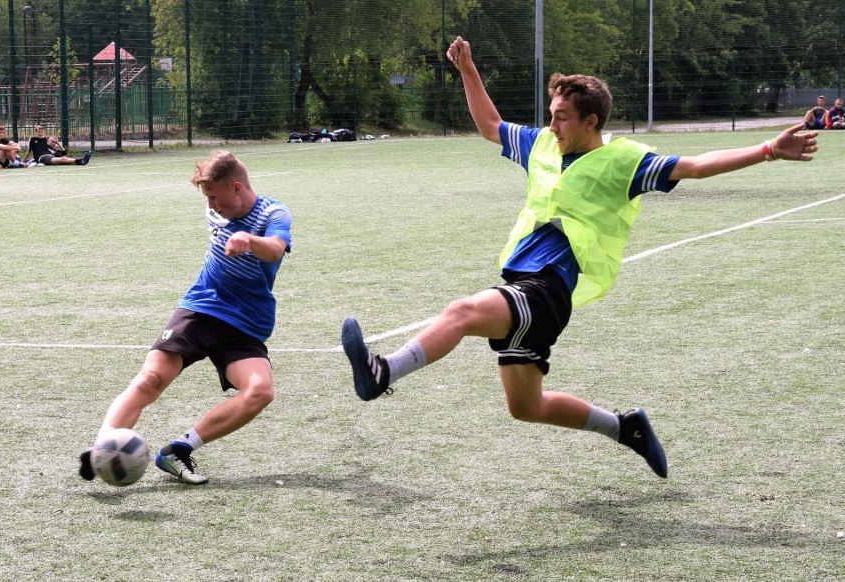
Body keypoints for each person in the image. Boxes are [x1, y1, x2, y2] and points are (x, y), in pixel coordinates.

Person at [341, 36, 818, 480]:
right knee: (527, 407)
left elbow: (693, 166)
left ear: (592, 121)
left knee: (462, 312)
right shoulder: (543, 144)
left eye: (563, 116)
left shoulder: (625, 161)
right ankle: (624, 426)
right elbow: (490, 126)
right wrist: (467, 69)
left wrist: (769, 148)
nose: (553, 124)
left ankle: (384, 371)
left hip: (548, 288)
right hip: (523, 281)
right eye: (551, 114)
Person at [79, 150, 292, 485]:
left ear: (237, 188)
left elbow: (276, 248)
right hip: (202, 308)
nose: (210, 207)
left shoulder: (273, 212)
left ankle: (179, 450)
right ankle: (101, 447)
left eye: (214, 197)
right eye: (206, 199)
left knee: (260, 392)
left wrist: (249, 240)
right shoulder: (218, 211)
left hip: (247, 323)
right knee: (151, 379)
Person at [27, 125, 91, 166]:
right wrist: (23, 162)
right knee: (63, 159)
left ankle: (81, 162)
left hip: (50, 156)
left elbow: (64, 152)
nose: (40, 133)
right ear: (35, 132)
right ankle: (81, 160)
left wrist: (57, 143)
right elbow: (28, 151)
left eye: (41, 132)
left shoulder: (44, 140)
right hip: (42, 158)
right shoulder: (32, 139)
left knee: (64, 160)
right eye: (39, 132)